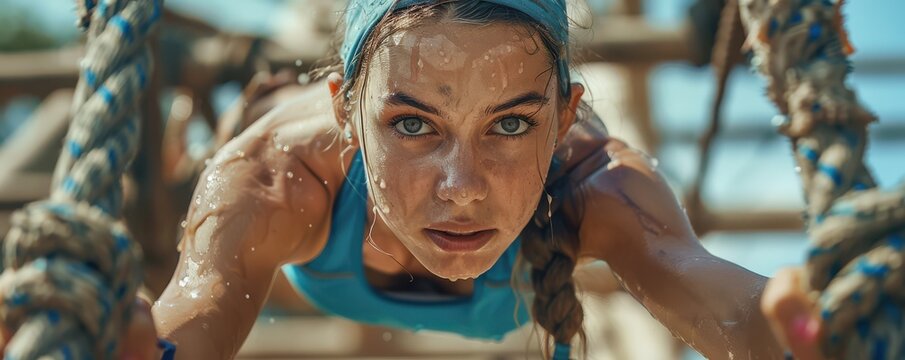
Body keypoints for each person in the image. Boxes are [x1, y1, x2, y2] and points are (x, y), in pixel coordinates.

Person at [0, 0, 824, 359]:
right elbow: (195, 311)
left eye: (509, 123)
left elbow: (704, 289)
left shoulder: (595, 181)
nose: (461, 187)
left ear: (566, 115)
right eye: (411, 125)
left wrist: (808, 335)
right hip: (276, 107)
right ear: (347, 113)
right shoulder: (276, 180)